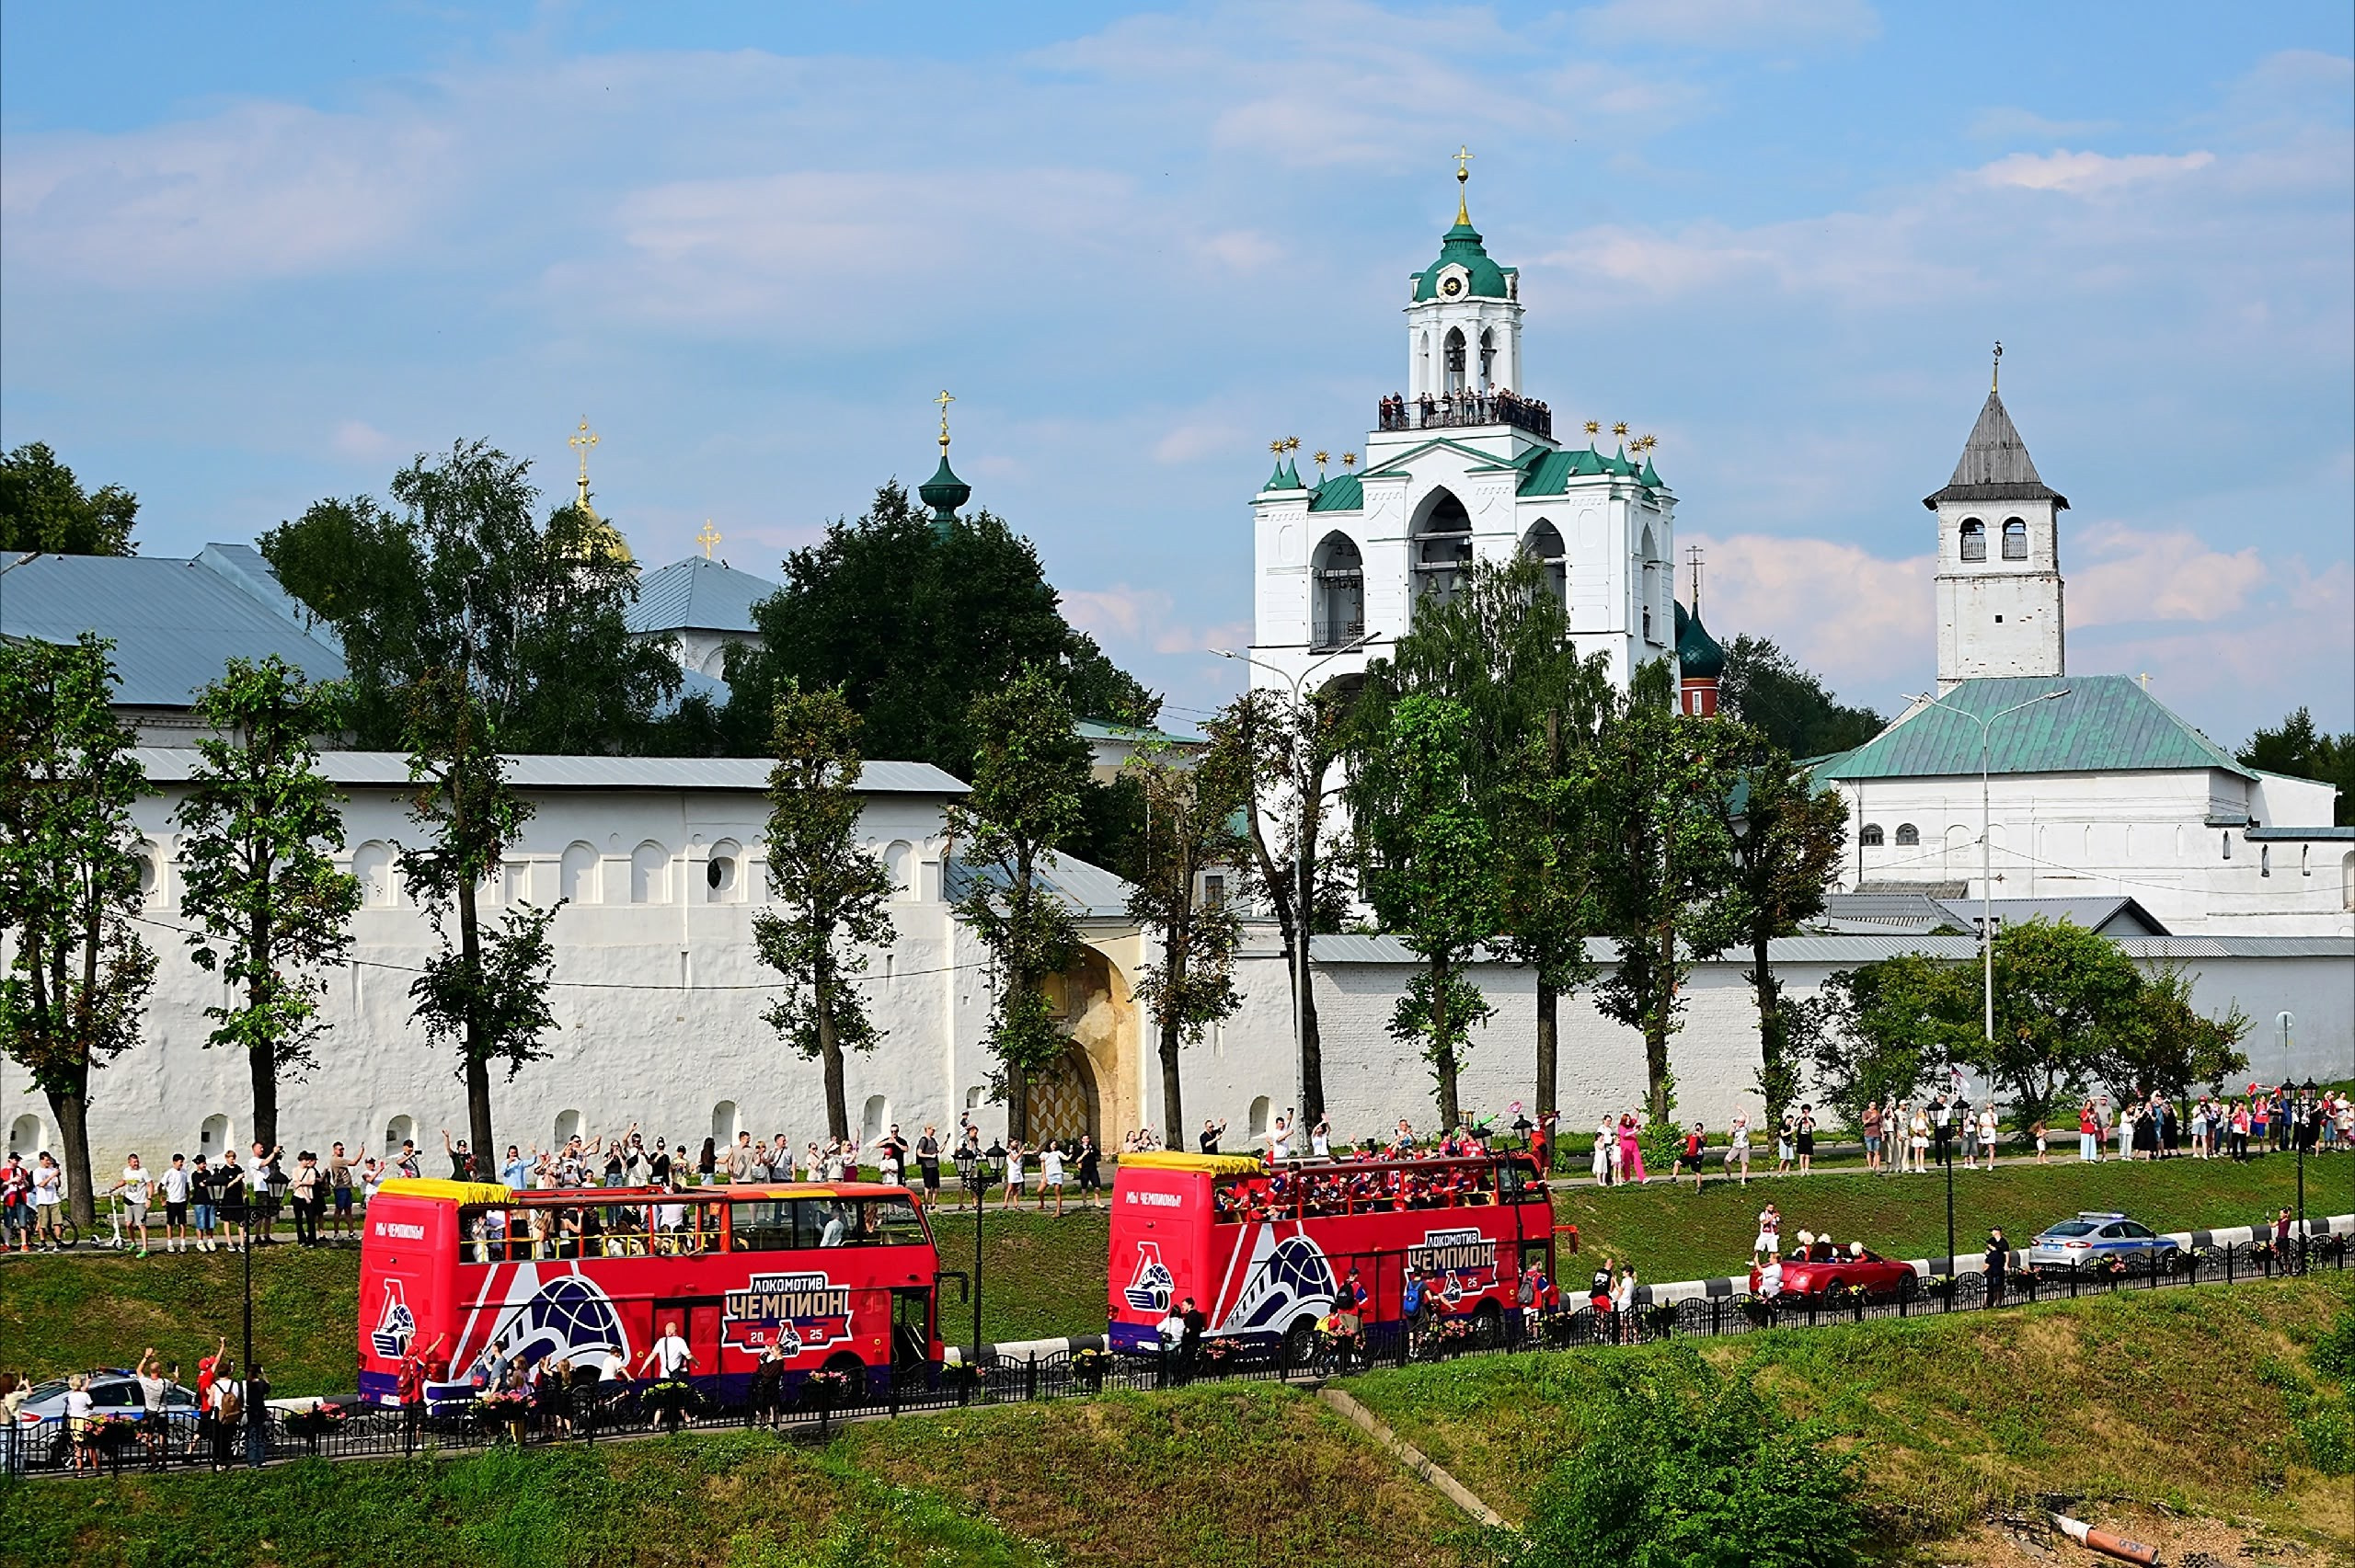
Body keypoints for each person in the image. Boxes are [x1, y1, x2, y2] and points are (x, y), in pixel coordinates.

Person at [107, 1151, 155, 1257]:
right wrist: (114, 1187)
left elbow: (150, 1185)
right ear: (129, 1163)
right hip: (129, 1201)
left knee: (141, 1225)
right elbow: (124, 1181)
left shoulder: (143, 1171)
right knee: (128, 1224)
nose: (136, 1164)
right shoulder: (126, 1171)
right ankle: (133, 1243)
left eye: (137, 1161)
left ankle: (145, 1249)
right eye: (134, 1162)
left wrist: (149, 1199)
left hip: (140, 1202)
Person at [288, 1150, 325, 1247]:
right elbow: (296, 1184)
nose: (308, 1162)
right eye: (306, 1160)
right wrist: (305, 1195)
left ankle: (312, 1240)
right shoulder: (295, 1170)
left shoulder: (311, 1170)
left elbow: (312, 1182)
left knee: (310, 1220)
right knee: (299, 1220)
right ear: (301, 1160)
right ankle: (301, 1239)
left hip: (309, 1196)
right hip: (298, 1196)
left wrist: (302, 1183)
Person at [1673, 1123, 1706, 1193]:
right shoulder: (1691, 1136)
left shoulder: (1703, 1137)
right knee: (1677, 1162)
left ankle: (1699, 1187)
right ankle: (1674, 1177)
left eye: (1699, 1128)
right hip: (1689, 1155)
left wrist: (1700, 1135)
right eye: (1696, 1128)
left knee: (1697, 1171)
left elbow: (1704, 1140)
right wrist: (1678, 1142)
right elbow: (1684, 1140)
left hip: (1697, 1156)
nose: (1697, 1130)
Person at [1038, 1139, 1068, 1216]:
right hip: (1048, 1174)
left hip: (1057, 1173)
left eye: (1055, 1144)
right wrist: (1044, 1175)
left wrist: (1071, 1154)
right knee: (1040, 1190)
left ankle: (1058, 1210)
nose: (1054, 1146)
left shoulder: (1058, 1153)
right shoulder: (1044, 1154)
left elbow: (1066, 1158)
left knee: (1057, 1192)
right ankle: (1042, 1204)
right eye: (1053, 1144)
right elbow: (1043, 1165)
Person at [916, 1126, 943, 1207]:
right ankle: (926, 1204)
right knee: (928, 1185)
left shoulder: (933, 1140)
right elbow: (919, 1153)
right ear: (927, 1130)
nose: (933, 1131)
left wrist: (945, 1143)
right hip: (927, 1166)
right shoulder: (923, 1140)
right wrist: (930, 1156)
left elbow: (939, 1150)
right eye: (932, 1129)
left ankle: (933, 1203)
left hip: (934, 1165)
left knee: (936, 1185)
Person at [1074, 1134, 1102, 1210]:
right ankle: (1085, 1202)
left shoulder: (1092, 1147)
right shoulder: (1079, 1149)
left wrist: (1093, 1151)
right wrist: (1084, 1154)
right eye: (1084, 1139)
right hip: (1084, 1170)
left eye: (1087, 1139)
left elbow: (1098, 1154)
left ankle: (1097, 1201)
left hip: (1093, 1169)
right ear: (1082, 1140)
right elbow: (1077, 1160)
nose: (1086, 1140)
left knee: (1097, 1186)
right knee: (1084, 1186)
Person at [1983, 1229, 2008, 1308]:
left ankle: (1988, 1304)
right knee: (1999, 1287)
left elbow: (1987, 1264)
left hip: (1992, 1272)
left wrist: (1984, 1270)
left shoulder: (2003, 1243)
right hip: (1999, 1270)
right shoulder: (2000, 1254)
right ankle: (1998, 1303)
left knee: (1991, 1288)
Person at [1753, 1201, 1781, 1265]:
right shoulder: (1763, 1214)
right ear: (1766, 1207)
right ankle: (1755, 1261)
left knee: (1774, 1250)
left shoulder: (1774, 1214)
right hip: (1764, 1234)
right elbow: (1764, 1222)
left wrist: (1778, 1216)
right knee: (1757, 1248)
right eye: (1770, 1208)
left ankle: (1773, 1262)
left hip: (1772, 1235)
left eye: (1772, 1208)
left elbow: (1779, 1221)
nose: (1771, 1209)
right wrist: (1771, 1218)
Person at [1861, 1101, 1883, 1173]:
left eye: (1874, 1105)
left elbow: (1881, 1125)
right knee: (1869, 1151)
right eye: (1872, 1105)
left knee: (1877, 1151)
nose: (1873, 1107)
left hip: (1877, 1134)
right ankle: (1870, 1167)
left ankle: (1877, 1167)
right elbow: (1864, 1123)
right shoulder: (1865, 1113)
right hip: (1868, 1134)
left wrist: (1882, 1134)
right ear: (1869, 1105)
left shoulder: (1878, 1114)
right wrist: (1871, 1118)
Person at [1795, 1105, 1817, 1175]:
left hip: (1808, 1138)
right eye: (1804, 1110)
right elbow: (1796, 1124)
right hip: (1801, 1138)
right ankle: (1802, 1170)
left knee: (1807, 1155)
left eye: (1807, 1110)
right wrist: (1801, 1117)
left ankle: (1807, 1170)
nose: (1805, 1111)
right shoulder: (1800, 1118)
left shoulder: (1811, 1119)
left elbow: (1813, 1125)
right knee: (1802, 1155)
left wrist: (1807, 1118)